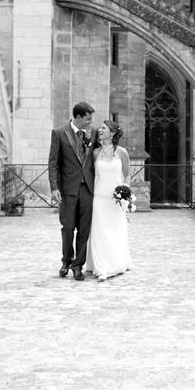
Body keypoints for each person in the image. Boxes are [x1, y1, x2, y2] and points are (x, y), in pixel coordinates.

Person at [48, 102, 95, 281]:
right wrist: (54, 188)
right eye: (88, 119)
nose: (90, 122)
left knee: (84, 229)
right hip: (68, 189)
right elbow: (53, 163)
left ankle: (78, 266)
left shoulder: (94, 132)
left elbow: (106, 147)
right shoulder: (59, 133)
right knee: (67, 228)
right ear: (78, 117)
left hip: (88, 190)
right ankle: (66, 260)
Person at [84, 120, 132, 281]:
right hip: (99, 197)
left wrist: (125, 194)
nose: (100, 130)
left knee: (116, 231)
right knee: (99, 232)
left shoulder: (122, 152)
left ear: (112, 133)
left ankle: (117, 262)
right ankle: (101, 267)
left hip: (116, 200)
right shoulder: (95, 152)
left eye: (104, 128)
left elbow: (126, 175)